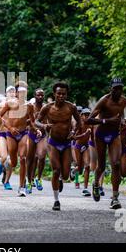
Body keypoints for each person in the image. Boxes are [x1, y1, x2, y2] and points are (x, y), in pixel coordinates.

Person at [86, 78, 126, 209]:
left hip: (114, 135)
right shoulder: (104, 101)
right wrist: (106, 121)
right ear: (110, 88)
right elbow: (89, 120)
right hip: (100, 135)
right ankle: (95, 183)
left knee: (116, 165)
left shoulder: (124, 101)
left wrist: (122, 120)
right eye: (115, 88)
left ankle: (115, 198)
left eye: (120, 88)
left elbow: (120, 114)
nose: (117, 91)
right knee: (102, 166)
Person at [36, 82, 81, 210]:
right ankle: (56, 200)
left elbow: (79, 121)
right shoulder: (48, 108)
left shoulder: (71, 107)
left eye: (64, 94)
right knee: (56, 170)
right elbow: (36, 121)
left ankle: (62, 177)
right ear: (54, 94)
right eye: (59, 93)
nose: (61, 96)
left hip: (66, 143)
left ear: (67, 94)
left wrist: (73, 132)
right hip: (53, 143)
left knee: (66, 175)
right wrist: (44, 126)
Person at [0, 81, 41, 197]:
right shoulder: (9, 103)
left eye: (24, 93)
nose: (22, 95)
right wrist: (10, 127)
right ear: (16, 94)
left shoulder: (29, 106)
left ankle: (22, 186)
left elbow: (31, 122)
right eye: (20, 93)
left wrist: (36, 130)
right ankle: (6, 161)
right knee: (13, 163)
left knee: (23, 158)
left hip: (23, 133)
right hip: (11, 134)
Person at [26, 89, 48, 193]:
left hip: (42, 135)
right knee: (30, 159)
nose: (40, 97)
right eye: (38, 95)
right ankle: (29, 182)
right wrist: (34, 128)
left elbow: (49, 120)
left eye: (42, 95)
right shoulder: (30, 106)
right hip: (32, 134)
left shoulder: (46, 106)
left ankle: (39, 178)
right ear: (34, 95)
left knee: (42, 156)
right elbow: (28, 120)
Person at [0, 86, 16, 190]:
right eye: (10, 92)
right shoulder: (0, 105)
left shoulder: (18, 105)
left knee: (11, 160)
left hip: (14, 135)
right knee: (4, 157)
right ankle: (0, 161)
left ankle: (7, 182)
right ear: (6, 94)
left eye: (13, 92)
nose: (12, 93)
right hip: (3, 133)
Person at [74, 108, 93, 196]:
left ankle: (85, 188)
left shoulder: (91, 124)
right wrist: (84, 134)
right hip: (77, 147)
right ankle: (73, 171)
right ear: (81, 116)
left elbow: (93, 137)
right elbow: (74, 137)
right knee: (80, 169)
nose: (87, 116)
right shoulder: (79, 124)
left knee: (87, 166)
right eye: (85, 115)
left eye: (88, 114)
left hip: (86, 146)